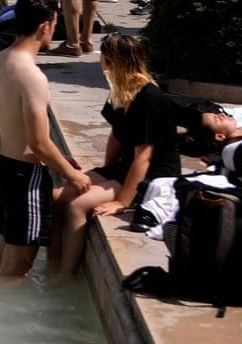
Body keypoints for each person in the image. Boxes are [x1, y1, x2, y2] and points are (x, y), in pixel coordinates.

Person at [56, 34, 181, 277]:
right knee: (57, 197)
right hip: (125, 167)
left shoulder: (149, 98)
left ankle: (66, 275)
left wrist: (122, 201)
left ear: (112, 62)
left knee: (77, 206)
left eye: (103, 60)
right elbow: (116, 136)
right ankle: (53, 262)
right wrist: (102, 174)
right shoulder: (121, 92)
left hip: (153, 176)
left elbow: (144, 157)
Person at [0, 0, 88, 279]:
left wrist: (58, 157)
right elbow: (38, 143)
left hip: (0, 167)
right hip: (23, 178)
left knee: (3, 257)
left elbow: (17, 126)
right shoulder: (31, 75)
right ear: (46, 25)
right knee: (19, 266)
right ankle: (5, 320)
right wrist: (73, 175)